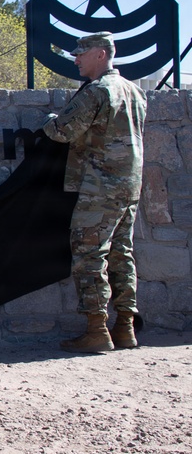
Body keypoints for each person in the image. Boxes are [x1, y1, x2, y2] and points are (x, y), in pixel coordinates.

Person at [43, 32, 147, 353]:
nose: (75, 59)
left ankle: (96, 329)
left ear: (101, 54)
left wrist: (49, 119)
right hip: (129, 186)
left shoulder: (98, 91)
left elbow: (62, 131)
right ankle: (125, 327)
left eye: (81, 54)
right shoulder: (135, 91)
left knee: (89, 256)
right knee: (122, 254)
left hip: (99, 187)